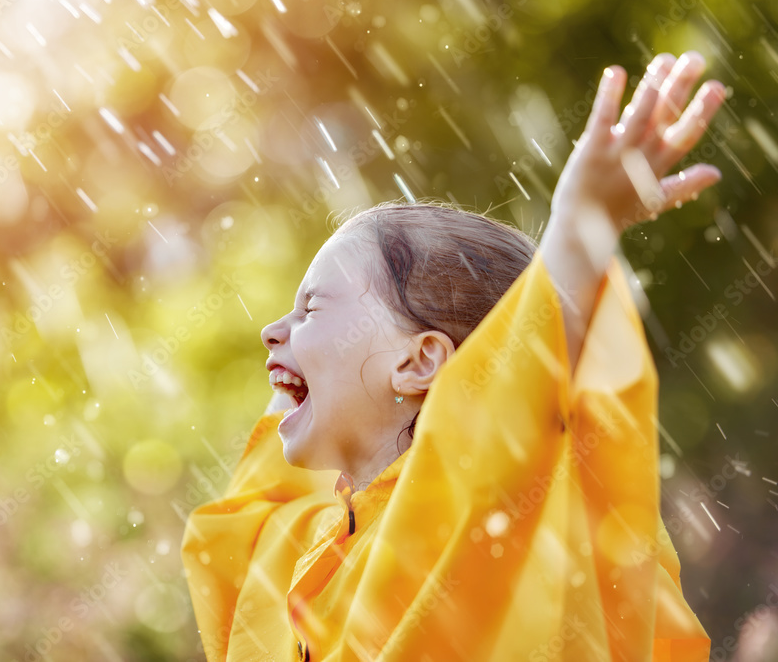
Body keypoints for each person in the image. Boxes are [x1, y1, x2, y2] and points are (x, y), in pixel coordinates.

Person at [181, 50, 726, 661]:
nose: (270, 330)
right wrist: (298, 361)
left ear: (419, 362)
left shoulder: (482, 515)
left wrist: (583, 228)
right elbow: (234, 537)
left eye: (311, 307)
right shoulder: (304, 551)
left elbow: (506, 418)